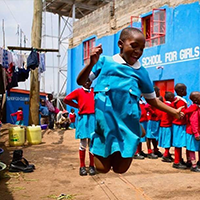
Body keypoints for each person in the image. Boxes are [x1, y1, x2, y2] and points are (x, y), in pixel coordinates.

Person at [76, 27, 184, 174]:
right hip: (105, 127)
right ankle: (135, 130)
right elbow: (81, 82)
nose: (138, 52)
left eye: (141, 49)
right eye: (134, 46)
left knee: (120, 169)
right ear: (120, 44)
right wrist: (90, 63)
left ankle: (136, 129)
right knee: (102, 168)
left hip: (127, 128)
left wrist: (174, 112)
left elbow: (152, 100)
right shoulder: (104, 62)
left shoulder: (141, 73)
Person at [63, 80, 96, 176]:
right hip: (83, 118)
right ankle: (82, 166)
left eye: (89, 80)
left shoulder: (94, 91)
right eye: (85, 80)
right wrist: (77, 105)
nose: (87, 82)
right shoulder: (78, 91)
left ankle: (91, 166)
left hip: (93, 118)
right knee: (83, 143)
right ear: (82, 82)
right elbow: (66, 99)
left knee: (92, 143)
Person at [172, 83, 188, 169]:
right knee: (178, 143)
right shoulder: (180, 101)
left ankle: (179, 159)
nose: (186, 92)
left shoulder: (178, 100)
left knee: (180, 143)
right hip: (179, 124)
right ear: (181, 91)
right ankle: (176, 162)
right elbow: (182, 112)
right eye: (185, 90)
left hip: (180, 124)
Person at [184, 91, 200, 172]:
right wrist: (196, 133)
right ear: (196, 100)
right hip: (193, 132)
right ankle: (193, 165)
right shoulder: (194, 109)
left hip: (197, 131)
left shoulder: (197, 107)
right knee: (192, 149)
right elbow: (194, 122)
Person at [146, 86, 163, 159]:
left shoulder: (159, 99)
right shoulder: (151, 100)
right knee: (149, 135)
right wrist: (152, 112)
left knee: (155, 136)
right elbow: (146, 106)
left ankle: (155, 149)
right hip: (152, 120)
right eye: (158, 91)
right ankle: (149, 151)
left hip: (157, 120)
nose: (159, 92)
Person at [158, 91, 175, 162]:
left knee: (166, 139)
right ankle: (166, 155)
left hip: (162, 124)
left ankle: (166, 153)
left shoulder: (163, 105)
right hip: (167, 125)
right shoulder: (170, 106)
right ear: (171, 98)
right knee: (167, 140)